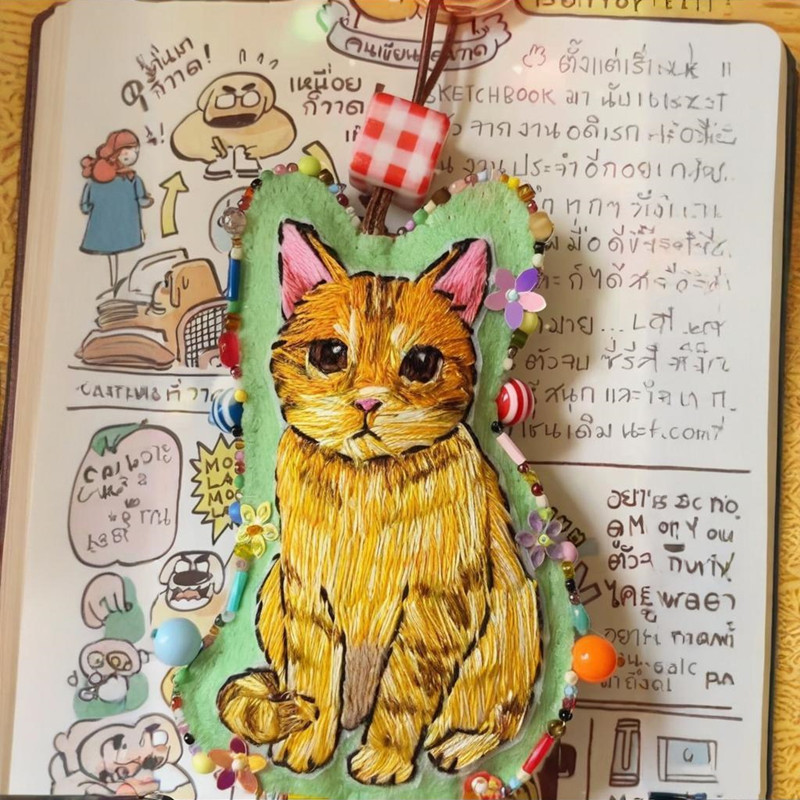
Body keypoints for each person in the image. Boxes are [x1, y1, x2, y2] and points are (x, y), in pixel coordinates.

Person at [80, 129, 154, 295]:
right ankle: (116, 286)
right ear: (117, 153)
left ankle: (114, 286)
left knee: (113, 256)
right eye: (130, 150)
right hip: (125, 228)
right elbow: (142, 199)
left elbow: (85, 205)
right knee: (122, 256)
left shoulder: (96, 179)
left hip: (103, 230)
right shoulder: (132, 178)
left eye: (136, 151)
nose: (134, 155)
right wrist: (149, 201)